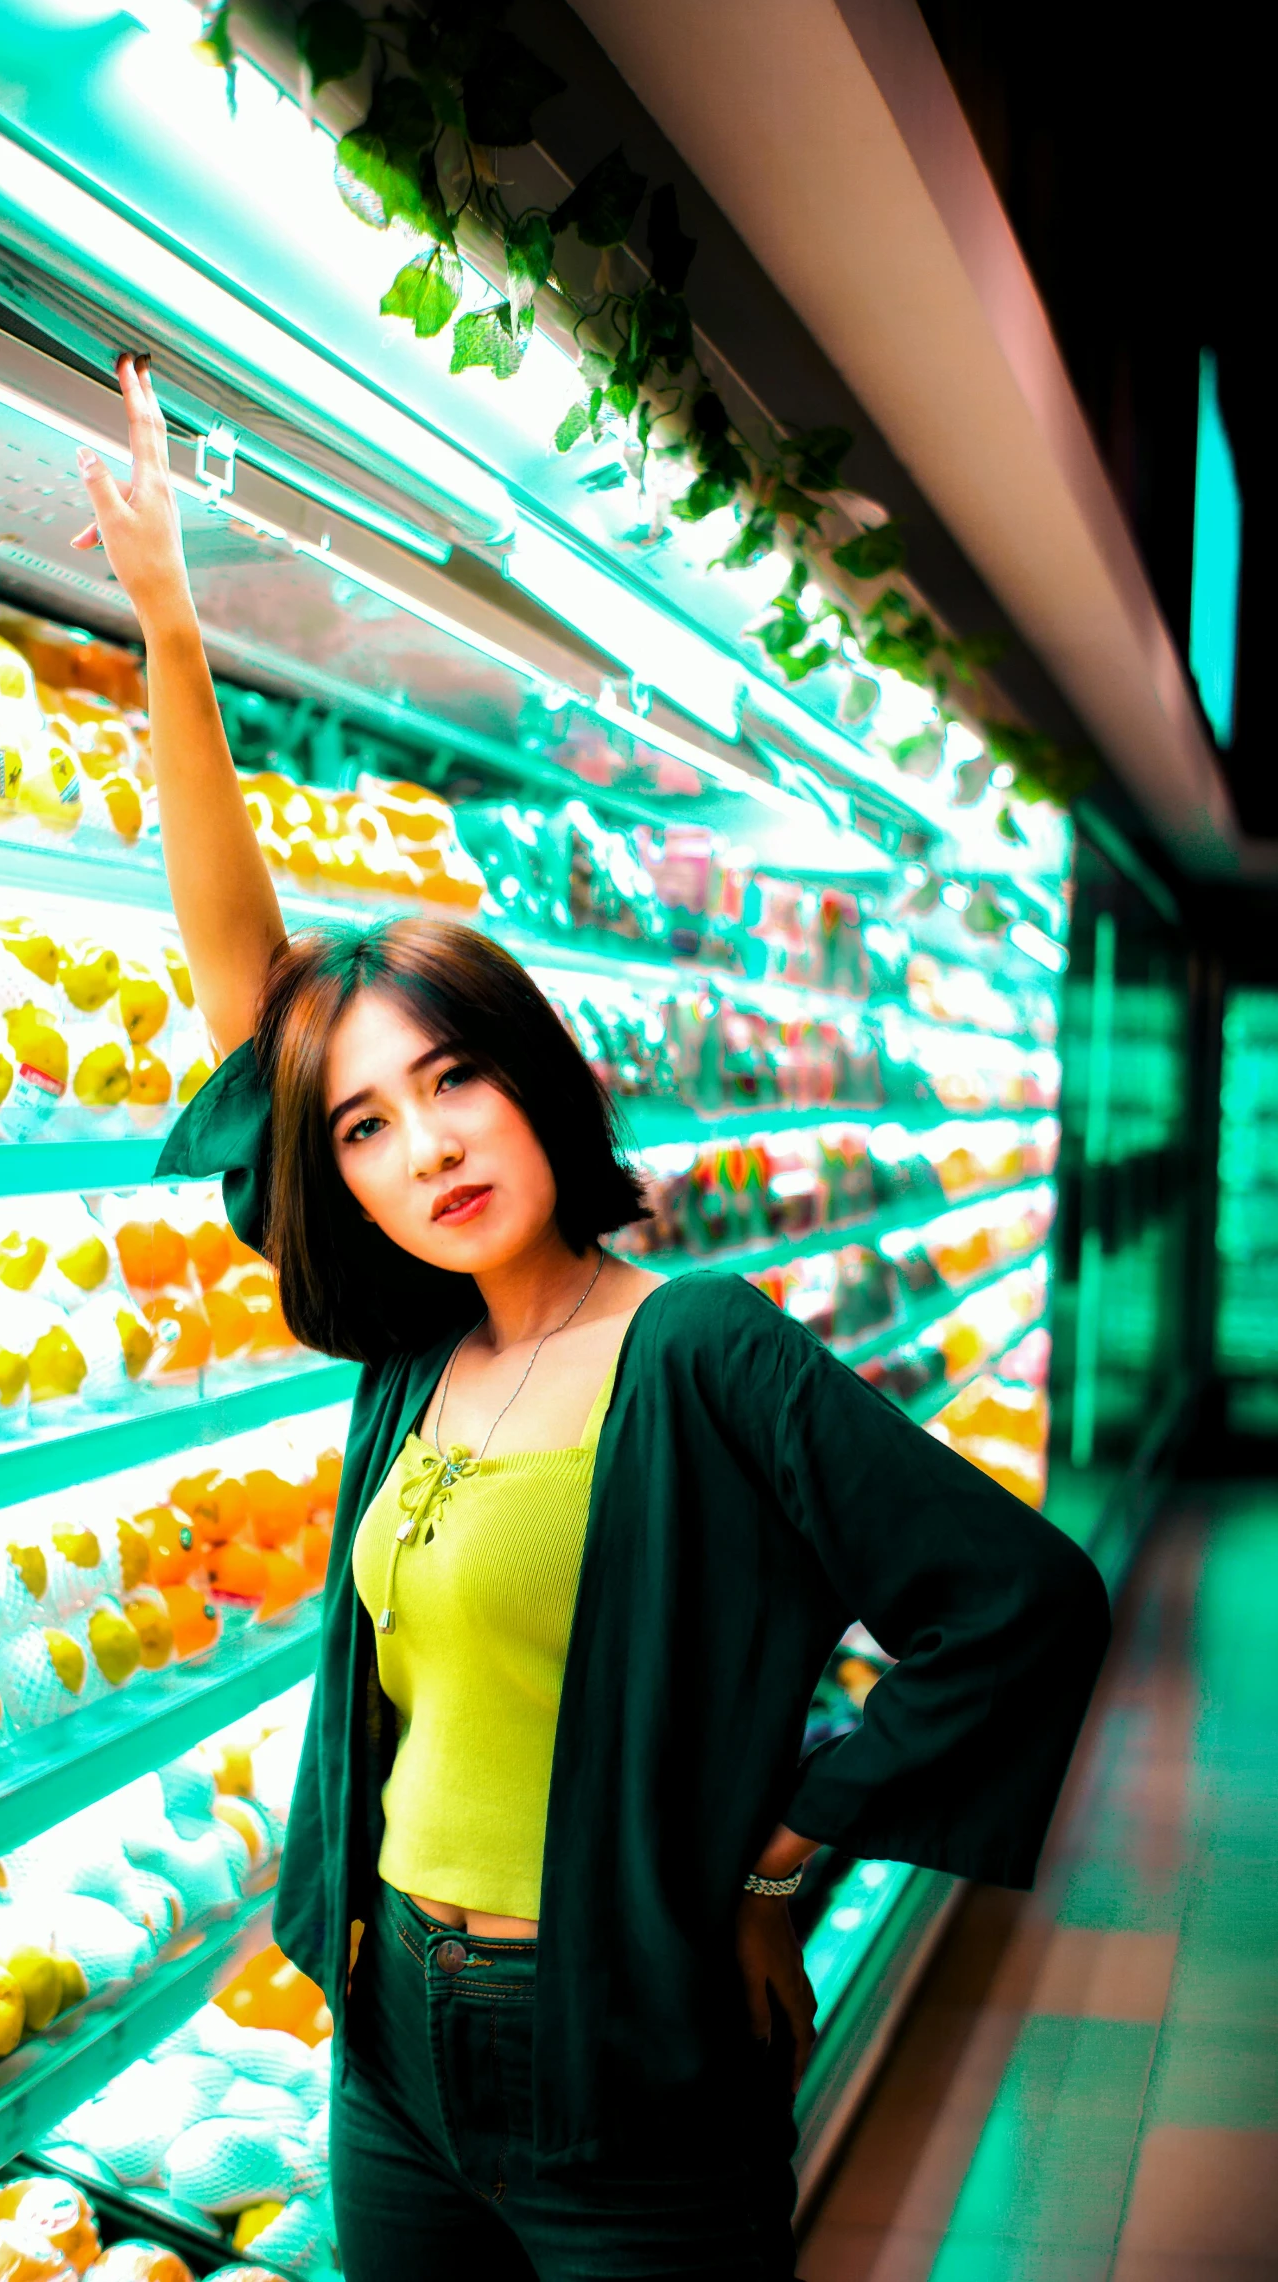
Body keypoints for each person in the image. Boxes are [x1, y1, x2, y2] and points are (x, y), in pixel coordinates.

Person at [74, 355, 1112, 2281]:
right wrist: (164, 620)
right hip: (387, 2046)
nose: (422, 1143)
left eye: (452, 1078)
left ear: (535, 1078)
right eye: (367, 1125)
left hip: (625, 2057)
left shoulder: (702, 1349)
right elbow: (243, 991)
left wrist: (784, 1869)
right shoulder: (409, 1364)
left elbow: (1019, 1605)